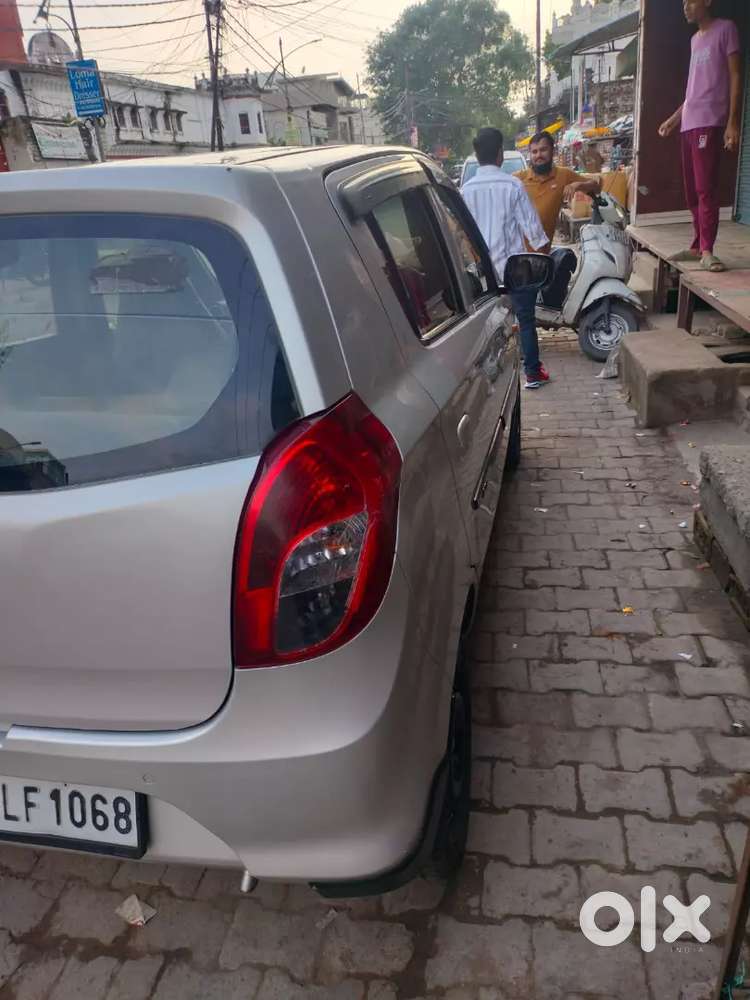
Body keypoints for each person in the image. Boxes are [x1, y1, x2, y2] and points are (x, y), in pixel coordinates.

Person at [461, 126, 551, 390]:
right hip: (515, 270)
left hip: (481, 273)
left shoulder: (465, 191)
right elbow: (535, 234)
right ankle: (533, 374)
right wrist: (542, 265)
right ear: (500, 153)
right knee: (525, 320)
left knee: (484, 329)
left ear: (478, 156)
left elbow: (462, 236)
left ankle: (486, 382)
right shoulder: (513, 185)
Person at [658, 0, 742, 272]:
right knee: (692, 191)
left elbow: (736, 75)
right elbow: (692, 92)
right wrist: (673, 120)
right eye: (683, 2)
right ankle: (697, 245)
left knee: (706, 188)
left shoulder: (726, 30)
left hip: (710, 122)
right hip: (688, 124)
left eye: (691, 1)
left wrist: (732, 122)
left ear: (707, 2)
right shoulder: (695, 40)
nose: (685, 6)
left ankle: (708, 250)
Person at [515, 131, 601, 245]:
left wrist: (578, 185)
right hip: (516, 253)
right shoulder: (519, 178)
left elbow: (596, 186)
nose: (538, 155)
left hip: (543, 254)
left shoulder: (563, 175)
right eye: (534, 152)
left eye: (543, 150)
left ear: (552, 151)